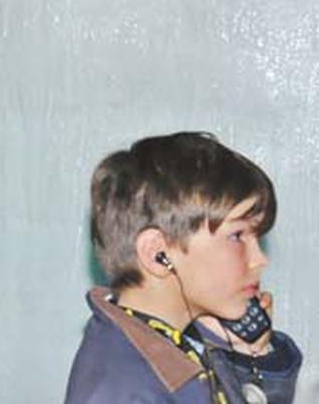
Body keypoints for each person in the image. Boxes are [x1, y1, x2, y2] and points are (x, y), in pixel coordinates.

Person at [65, 132, 301, 403]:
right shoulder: (122, 388)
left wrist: (248, 359)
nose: (259, 259)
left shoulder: (178, 347)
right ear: (158, 254)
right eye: (237, 236)